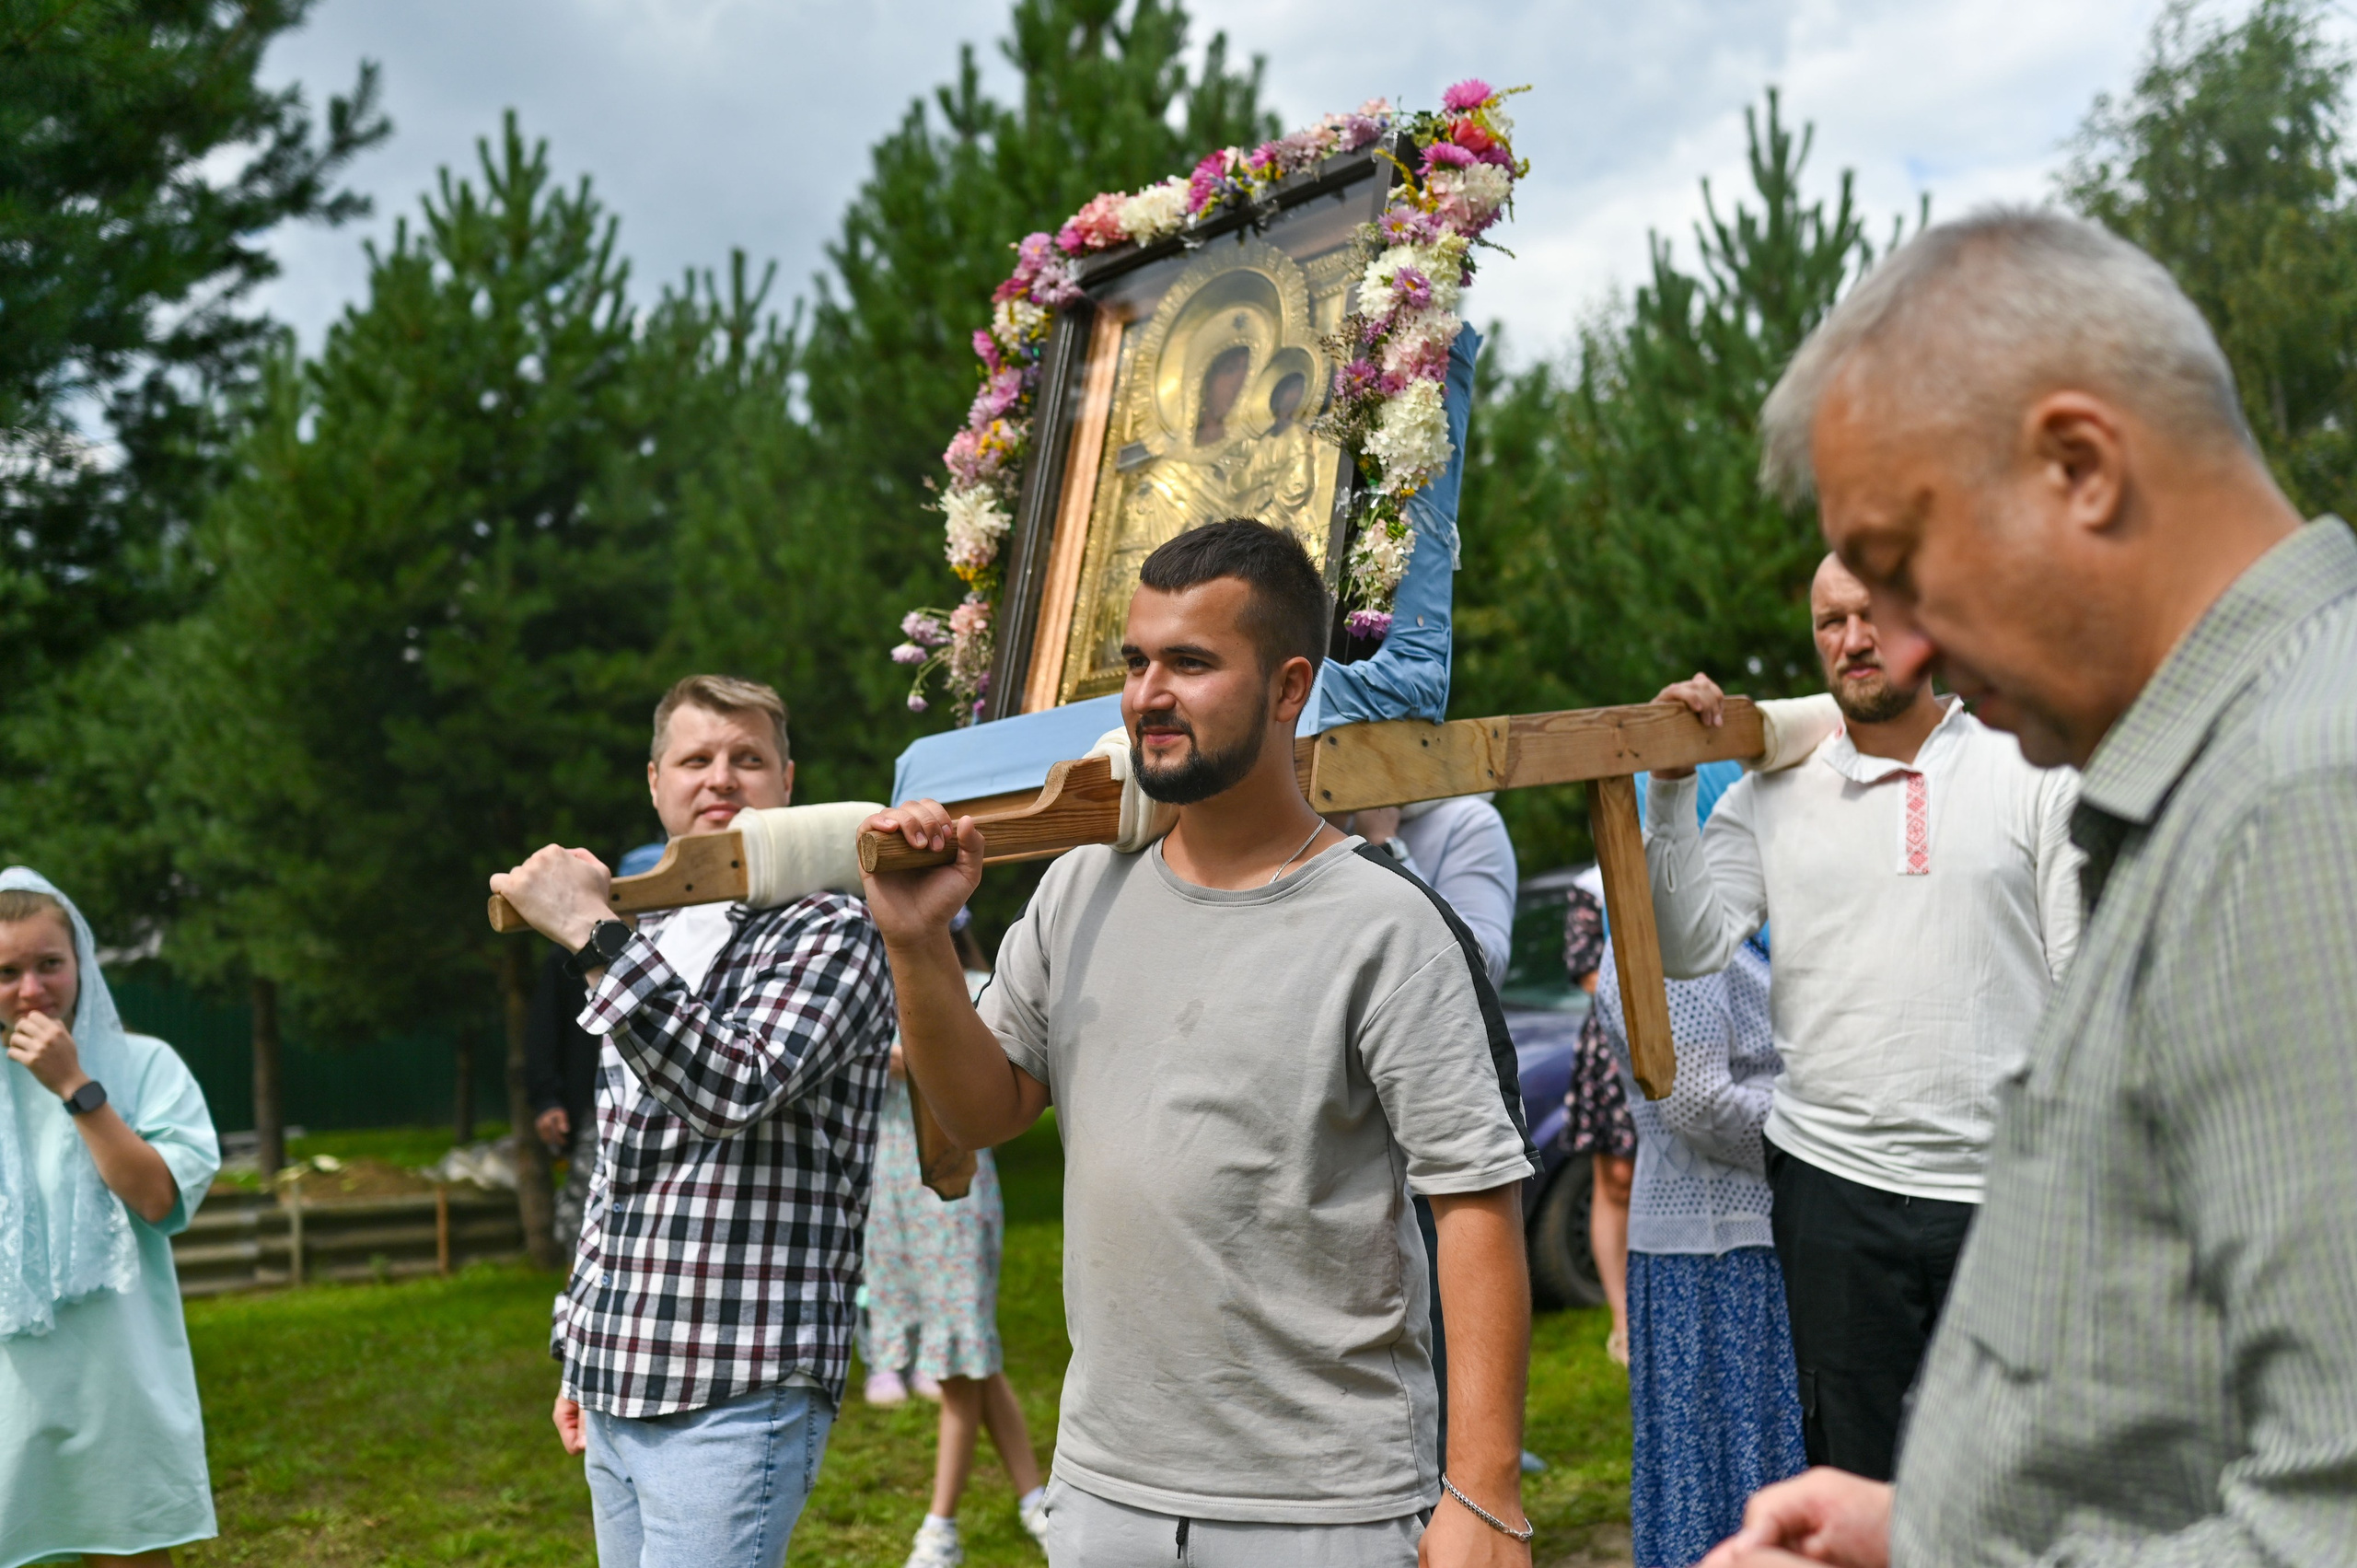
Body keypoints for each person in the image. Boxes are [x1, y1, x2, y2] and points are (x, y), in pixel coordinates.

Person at [1704, 210, 2357, 1567]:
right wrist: (1925, 1526)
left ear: (2080, 465)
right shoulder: (2234, 770)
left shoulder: (2301, 804)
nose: (1899, 636)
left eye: (1900, 563)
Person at [864, 518, 1540, 1567]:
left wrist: (1486, 1493)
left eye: (1190, 661)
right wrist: (917, 948)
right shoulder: (1076, 889)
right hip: (1105, 1492)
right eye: (1136, 661)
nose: (1146, 694)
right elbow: (981, 1109)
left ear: (1286, 687)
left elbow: (1475, 1205)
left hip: (1327, 1502)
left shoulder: (1385, 926)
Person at [1645, 549, 2081, 1481]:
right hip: (1834, 1185)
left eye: (1870, 615)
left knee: (2022, 1469)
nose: (1850, 640)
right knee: (1854, 1473)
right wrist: (1673, 789)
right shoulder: (1771, 791)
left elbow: (2084, 979)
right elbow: (1688, 945)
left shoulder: (2030, 768)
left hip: (2005, 1188)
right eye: (1828, 622)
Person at [492, 675, 897, 1568]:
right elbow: (619, 1168)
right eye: (696, 757)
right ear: (654, 780)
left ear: (787, 780)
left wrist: (594, 937)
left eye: (747, 757)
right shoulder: (658, 933)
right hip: (621, 1375)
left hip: (738, 1381)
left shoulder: (830, 928)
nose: (721, 777)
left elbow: (731, 1086)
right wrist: (581, 1343)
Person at [1594, 764, 1805, 1568]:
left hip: (1746, 1244)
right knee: (1733, 1489)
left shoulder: (1730, 928)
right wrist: (1822, 1128)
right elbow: (1693, 1100)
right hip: (1717, 1260)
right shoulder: (1666, 933)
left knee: (1759, 1476)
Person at [0, 869, 222, 1568]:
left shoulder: (145, 1064)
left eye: (49, 964)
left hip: (117, 1383)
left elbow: (159, 1199)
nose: (31, 989)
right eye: (6, 970)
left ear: (81, 965)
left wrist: (75, 1085)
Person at [865, 911, 1051, 1568]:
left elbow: (991, 1086)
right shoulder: (867, 988)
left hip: (954, 1186)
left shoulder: (979, 986)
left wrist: (914, 1054)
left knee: (958, 1359)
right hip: (891, 1188)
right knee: (973, 1350)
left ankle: (940, 1524)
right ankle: (1036, 1496)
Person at [528, 841, 667, 1258]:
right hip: (591, 1103)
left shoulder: (679, 949)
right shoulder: (572, 954)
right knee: (586, 1219)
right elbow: (543, 1031)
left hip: (660, 1102)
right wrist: (547, 1098)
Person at [1558, 877, 1635, 1366]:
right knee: (1616, 1177)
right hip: (1614, 1037)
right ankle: (1624, 1320)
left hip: (1692, 1031)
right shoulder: (1590, 885)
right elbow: (1587, 970)